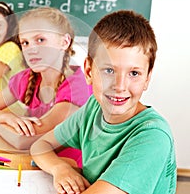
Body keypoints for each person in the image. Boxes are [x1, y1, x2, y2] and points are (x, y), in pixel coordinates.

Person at [30, 10, 177, 194]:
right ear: (89, 71)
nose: (119, 86)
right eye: (108, 70)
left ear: (147, 78)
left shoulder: (153, 136)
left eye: (134, 73)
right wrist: (60, 169)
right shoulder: (94, 108)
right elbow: (40, 146)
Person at [0, 7, 92, 166]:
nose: (31, 49)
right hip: (33, 163)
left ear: (64, 42)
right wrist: (6, 117)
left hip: (67, 170)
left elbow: (22, 140)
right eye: (25, 42)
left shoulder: (78, 87)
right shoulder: (26, 79)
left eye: (40, 40)